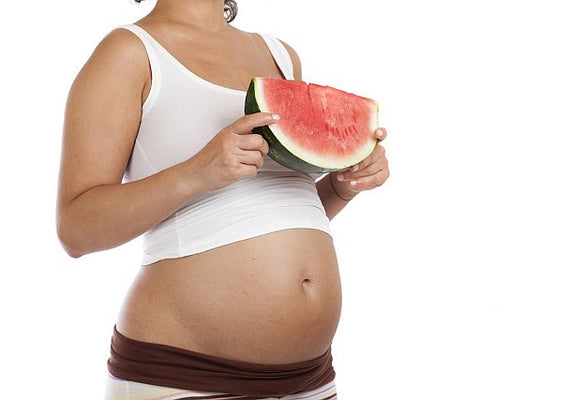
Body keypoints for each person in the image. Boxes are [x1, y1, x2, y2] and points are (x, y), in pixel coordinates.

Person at [56, 0, 390, 399]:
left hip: (311, 379)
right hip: (185, 374)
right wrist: (195, 173)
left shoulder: (280, 55)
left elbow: (268, 208)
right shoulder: (129, 52)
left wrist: (340, 187)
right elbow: (76, 230)